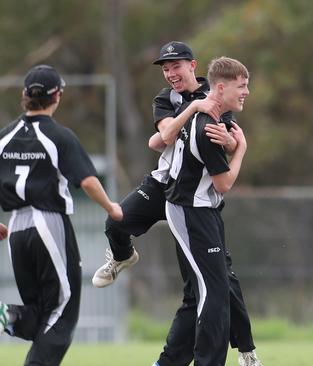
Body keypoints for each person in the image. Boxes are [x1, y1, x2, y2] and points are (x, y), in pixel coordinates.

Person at [91, 41, 261, 366]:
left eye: (176, 66)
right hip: (166, 185)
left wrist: (229, 140)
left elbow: (222, 130)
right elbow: (162, 138)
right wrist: (194, 110)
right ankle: (122, 257)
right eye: (165, 68)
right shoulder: (167, 98)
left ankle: (247, 350)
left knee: (216, 281)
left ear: (193, 65)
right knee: (116, 222)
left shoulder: (217, 94)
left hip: (192, 190)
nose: (170, 73)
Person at [0, 65, 123, 366]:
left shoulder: (4, 137)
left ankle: (10, 315)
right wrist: (111, 207)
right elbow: (88, 181)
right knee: (63, 312)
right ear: (57, 96)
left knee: (41, 311)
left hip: (16, 227)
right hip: (48, 223)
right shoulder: (58, 136)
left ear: (24, 96)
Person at [163, 56, 249, 366]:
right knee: (213, 296)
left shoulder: (210, 115)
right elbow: (223, 183)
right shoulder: (208, 127)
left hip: (200, 211)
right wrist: (240, 151)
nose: (247, 92)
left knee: (208, 292)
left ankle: (171, 361)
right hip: (190, 211)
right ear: (221, 87)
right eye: (242, 86)